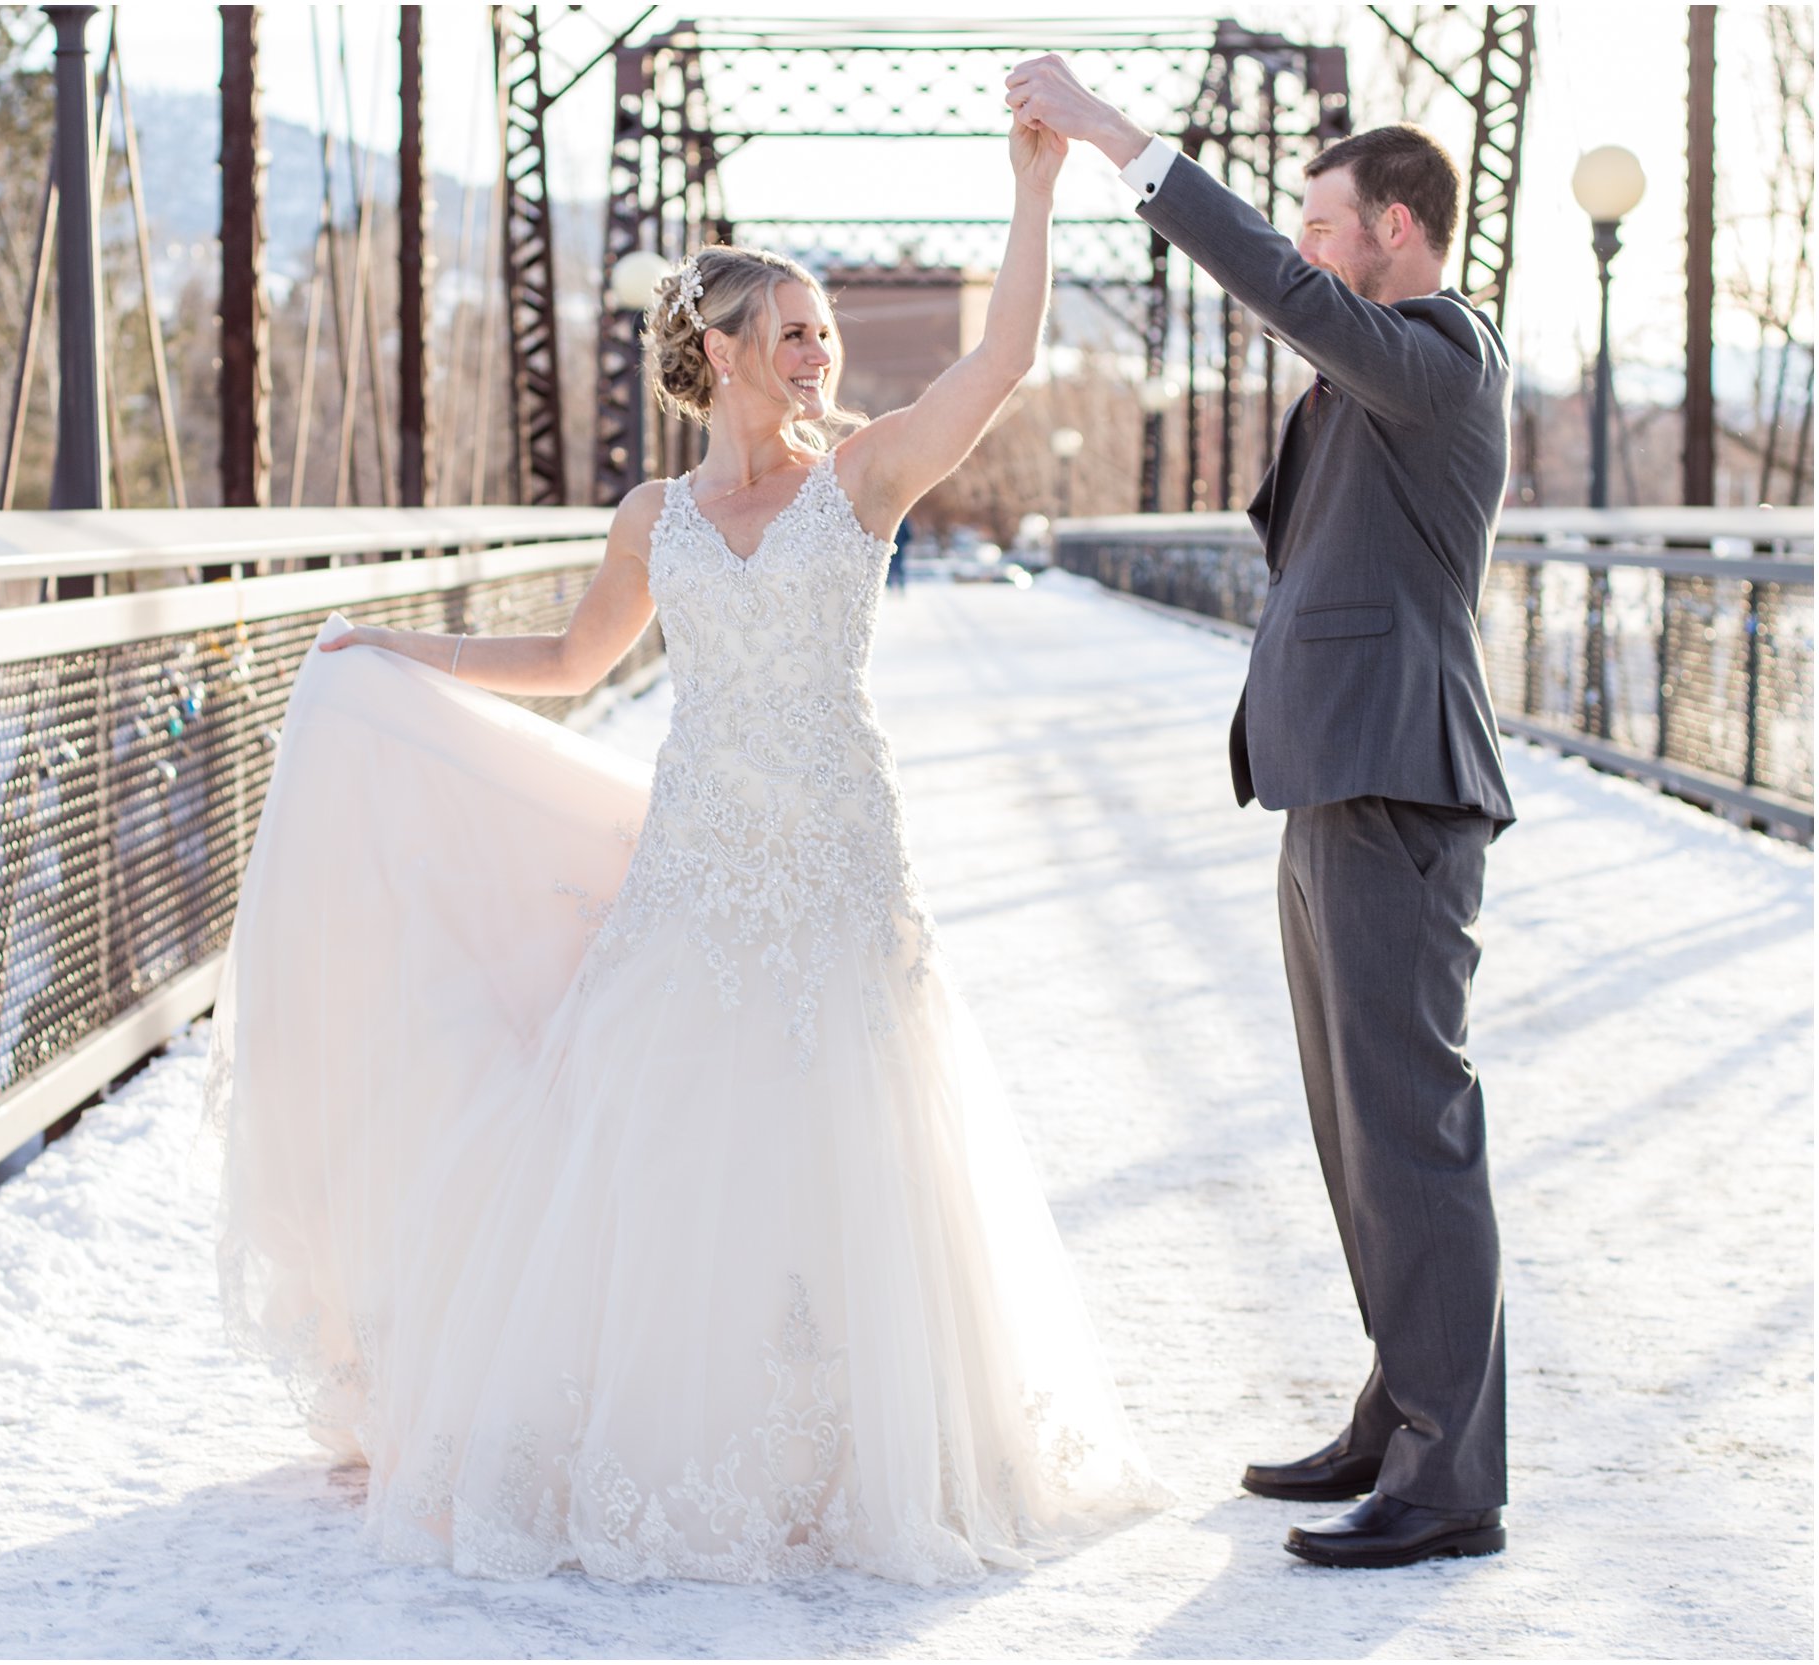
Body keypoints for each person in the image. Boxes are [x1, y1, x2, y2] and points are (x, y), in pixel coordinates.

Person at [207, 109, 1167, 1585]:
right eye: (790, 331)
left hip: (838, 863)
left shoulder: (866, 481)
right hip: (697, 870)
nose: (816, 354)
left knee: (852, 1139)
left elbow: (1003, 362)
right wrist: (392, 648)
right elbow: (571, 662)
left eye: (825, 332)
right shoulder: (653, 515)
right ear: (717, 350)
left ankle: (855, 1451)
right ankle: (671, 1433)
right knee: (662, 1155)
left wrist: (1032, 196)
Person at [1004, 59, 1514, 1570]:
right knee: (1359, 1132)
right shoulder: (1372, 371)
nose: (1302, 247)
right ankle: (1402, 1410)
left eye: (1325, 224)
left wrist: (1119, 146)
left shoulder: (1444, 351)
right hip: (1331, 776)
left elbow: (1291, 300)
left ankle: (1451, 1474)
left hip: (1400, 779)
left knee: (1413, 1129)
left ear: (1398, 232)